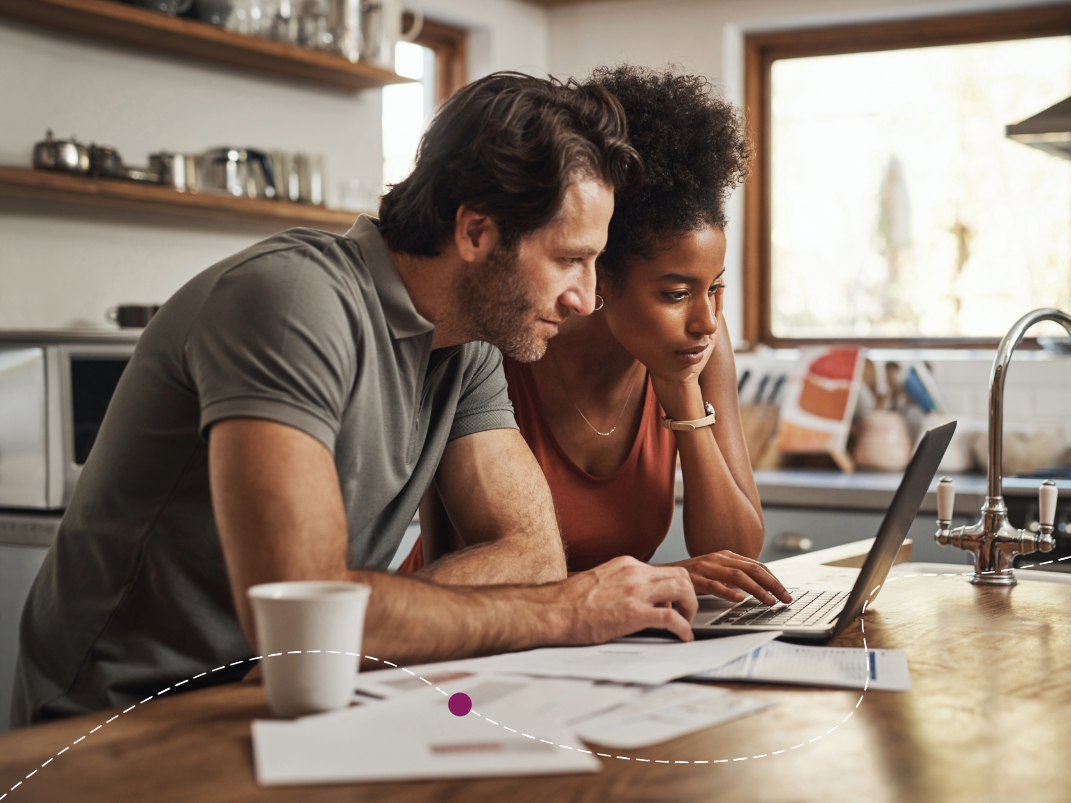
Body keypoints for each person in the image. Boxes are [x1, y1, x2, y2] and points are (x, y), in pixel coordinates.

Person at [11, 72, 700, 728]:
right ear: (476, 232)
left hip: (287, 699)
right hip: (121, 722)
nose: (583, 298)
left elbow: (531, 554)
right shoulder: (291, 303)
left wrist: (357, 625)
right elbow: (305, 616)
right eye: (568, 259)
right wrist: (561, 611)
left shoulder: (469, 346)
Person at [403, 66, 792, 608]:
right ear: (600, 275)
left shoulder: (696, 347)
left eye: (716, 289)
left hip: (603, 638)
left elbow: (737, 554)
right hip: (468, 629)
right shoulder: (505, 339)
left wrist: (681, 394)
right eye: (676, 294)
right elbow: (473, 563)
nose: (706, 320)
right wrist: (659, 578)